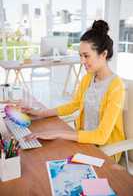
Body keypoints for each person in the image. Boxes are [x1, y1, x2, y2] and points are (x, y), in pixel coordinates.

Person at [22, 20, 125, 162]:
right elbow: (74, 104)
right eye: (80, 55)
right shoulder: (88, 78)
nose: (82, 61)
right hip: (84, 142)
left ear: (103, 54)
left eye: (86, 56)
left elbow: (102, 136)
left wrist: (58, 133)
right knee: (43, 157)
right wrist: (41, 113)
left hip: (105, 150)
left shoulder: (116, 86)